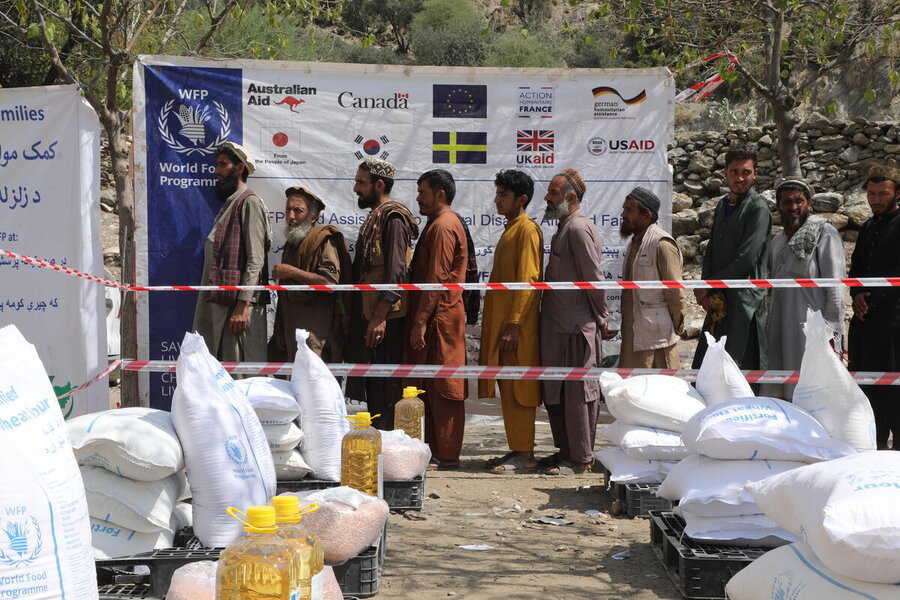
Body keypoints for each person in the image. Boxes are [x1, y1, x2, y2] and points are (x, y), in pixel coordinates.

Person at [539, 168, 614, 474]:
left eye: (553, 193)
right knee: (557, 392)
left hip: (576, 328)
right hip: (558, 327)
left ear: (570, 197)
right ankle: (566, 452)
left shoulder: (578, 229)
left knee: (578, 396)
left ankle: (580, 459)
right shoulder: (564, 227)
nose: (547, 197)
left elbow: (593, 279)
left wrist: (603, 317)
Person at [345, 158, 419, 430]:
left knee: (387, 392)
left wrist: (379, 317)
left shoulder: (393, 218)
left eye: (361, 182)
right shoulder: (376, 216)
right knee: (374, 389)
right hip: (372, 318)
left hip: (387, 321)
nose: (356, 188)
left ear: (379, 184)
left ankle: (391, 452)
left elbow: (396, 272)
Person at [479, 170, 544, 473]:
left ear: (522, 199)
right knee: (508, 386)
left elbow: (528, 280)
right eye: (497, 193)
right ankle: (517, 449)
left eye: (503, 194)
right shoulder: (511, 228)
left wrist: (515, 323)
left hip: (517, 329)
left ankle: (526, 455)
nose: (497, 200)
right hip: (505, 326)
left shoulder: (527, 230)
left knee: (520, 389)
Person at [405, 169, 468, 469]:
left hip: (439, 319)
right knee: (428, 386)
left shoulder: (443, 226)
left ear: (440, 194)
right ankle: (435, 451)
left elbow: (436, 279)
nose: (418, 197)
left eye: (423, 192)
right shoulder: (439, 224)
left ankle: (447, 454)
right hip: (436, 317)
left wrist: (419, 321)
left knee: (445, 388)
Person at [762, 177, 845, 400]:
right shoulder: (777, 241)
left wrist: (831, 331)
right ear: (779, 206)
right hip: (780, 327)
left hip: (812, 329)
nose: (793, 207)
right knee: (782, 387)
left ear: (809, 203)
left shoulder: (824, 233)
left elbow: (835, 287)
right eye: (787, 202)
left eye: (799, 201)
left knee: (813, 391)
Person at [692, 145, 771, 370]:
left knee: (737, 370)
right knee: (708, 368)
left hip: (744, 302)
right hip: (719, 296)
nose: (740, 178)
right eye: (734, 171)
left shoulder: (758, 209)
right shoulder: (722, 205)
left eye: (746, 172)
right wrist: (706, 284)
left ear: (755, 173)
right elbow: (712, 249)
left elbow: (746, 260)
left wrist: (710, 286)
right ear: (726, 172)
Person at [193, 142, 271, 367]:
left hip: (237, 312)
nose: (216, 171)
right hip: (223, 307)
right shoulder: (230, 204)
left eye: (223, 165)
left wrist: (242, 306)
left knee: (241, 378)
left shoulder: (249, 203)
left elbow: (256, 259)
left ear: (239, 168)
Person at [848, 164, 900, 449]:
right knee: (866, 386)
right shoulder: (868, 227)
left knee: (894, 388)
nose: (876, 199)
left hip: (893, 322)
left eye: (883, 193)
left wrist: (870, 298)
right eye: (871, 193)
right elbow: (856, 268)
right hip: (865, 321)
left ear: (897, 194)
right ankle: (873, 448)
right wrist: (856, 294)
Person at [268, 186, 352, 363]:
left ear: (313, 216)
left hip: (317, 336)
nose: (291, 216)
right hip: (291, 332)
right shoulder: (292, 243)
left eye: (298, 211)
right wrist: (279, 329)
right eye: (288, 210)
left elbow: (329, 283)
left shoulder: (323, 240)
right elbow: (284, 293)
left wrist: (290, 271)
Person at [618, 186, 684, 369]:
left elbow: (676, 294)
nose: (623, 214)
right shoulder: (634, 244)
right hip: (634, 338)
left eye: (628, 210)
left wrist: (676, 326)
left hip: (657, 342)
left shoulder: (661, 244)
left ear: (646, 216)